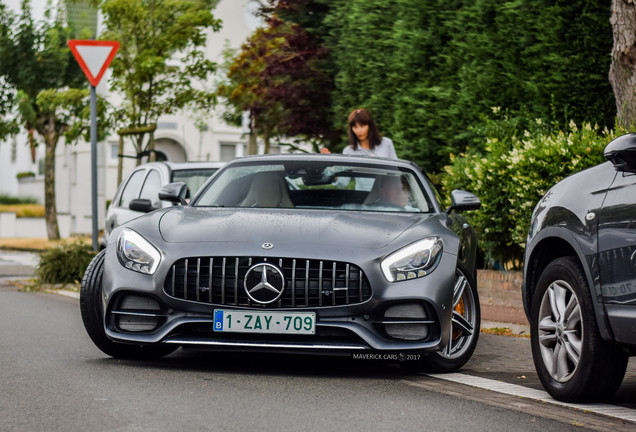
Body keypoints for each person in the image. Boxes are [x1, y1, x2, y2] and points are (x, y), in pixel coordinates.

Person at [320, 108, 397, 159]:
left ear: (370, 125)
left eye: (362, 126)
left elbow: (397, 170)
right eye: (355, 127)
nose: (359, 131)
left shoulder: (386, 143)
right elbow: (343, 181)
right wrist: (328, 162)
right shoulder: (349, 151)